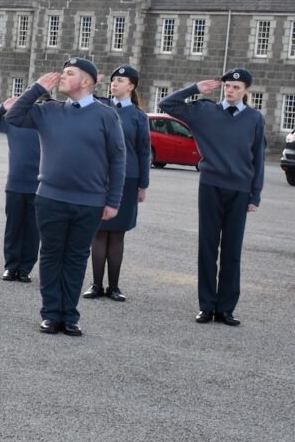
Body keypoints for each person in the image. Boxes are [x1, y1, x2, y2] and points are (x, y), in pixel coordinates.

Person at [5, 58, 126, 337]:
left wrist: (113, 201)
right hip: (50, 198)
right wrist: (36, 89)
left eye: (69, 73)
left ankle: (69, 315)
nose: (61, 76)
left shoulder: (106, 115)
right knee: (50, 256)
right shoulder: (48, 110)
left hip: (90, 201)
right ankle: (50, 314)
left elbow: (118, 160)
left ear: (86, 82)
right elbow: (13, 116)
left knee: (74, 258)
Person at [159, 68, 265, 326]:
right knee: (207, 247)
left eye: (236, 88)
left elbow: (258, 158)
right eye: (227, 86)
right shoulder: (204, 112)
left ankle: (226, 308)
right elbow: (166, 104)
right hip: (211, 186)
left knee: (232, 250)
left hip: (239, 190)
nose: (231, 90)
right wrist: (195, 88)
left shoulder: (254, 119)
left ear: (246, 91)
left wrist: (256, 194)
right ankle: (206, 306)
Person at [83, 66, 151, 302]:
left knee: (118, 235)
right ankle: (96, 284)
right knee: (99, 233)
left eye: (120, 80)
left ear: (131, 86)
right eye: (113, 80)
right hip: (100, 177)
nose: (114, 84)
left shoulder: (139, 117)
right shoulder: (100, 108)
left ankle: (113, 286)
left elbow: (144, 152)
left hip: (128, 180)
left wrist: (143, 185)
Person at [0, 96, 41, 283]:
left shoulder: (45, 126)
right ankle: (11, 267)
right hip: (16, 183)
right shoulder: (13, 123)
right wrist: (3, 106)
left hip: (40, 186)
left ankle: (25, 268)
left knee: (33, 230)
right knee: (13, 227)